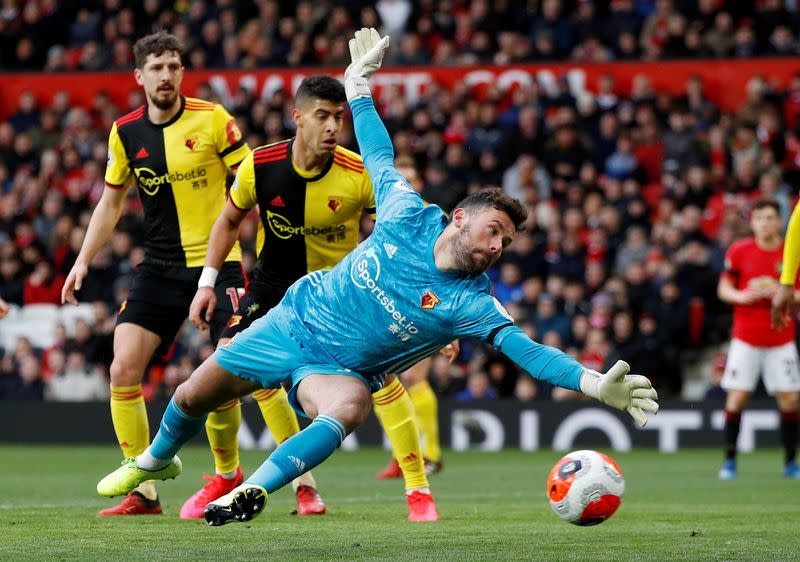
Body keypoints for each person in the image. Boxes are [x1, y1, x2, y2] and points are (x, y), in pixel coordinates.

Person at [96, 28, 659, 527]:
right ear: (459, 217)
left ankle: (251, 490)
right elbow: (379, 151)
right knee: (191, 395)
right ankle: (153, 460)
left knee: (350, 407)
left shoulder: (473, 303)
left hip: (337, 370)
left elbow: (528, 352)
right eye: (492, 231)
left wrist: (590, 384)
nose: (495, 247)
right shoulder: (407, 213)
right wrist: (358, 87)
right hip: (290, 323)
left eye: (506, 244)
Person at [183, 73, 439, 522]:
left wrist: (422, 297)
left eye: (338, 117)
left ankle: (418, 489)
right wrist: (207, 282)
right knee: (223, 371)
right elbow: (227, 221)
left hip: (340, 298)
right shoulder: (260, 165)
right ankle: (257, 480)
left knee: (381, 382)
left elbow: (401, 237)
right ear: (297, 117)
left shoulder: (358, 174)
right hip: (272, 289)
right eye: (322, 116)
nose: (332, 127)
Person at [61, 31, 252, 516]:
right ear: (139, 76)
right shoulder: (125, 132)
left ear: (182, 72)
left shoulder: (213, 120)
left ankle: (227, 474)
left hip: (218, 264)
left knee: (223, 372)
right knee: (123, 367)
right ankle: (143, 490)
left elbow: (250, 181)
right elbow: (111, 201)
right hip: (160, 268)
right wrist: (83, 258)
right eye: (157, 67)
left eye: (174, 66)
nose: (166, 75)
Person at [719, 200, 800, 479]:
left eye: (770, 217)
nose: (765, 223)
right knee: (737, 398)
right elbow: (724, 288)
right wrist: (742, 296)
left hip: (781, 338)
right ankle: (729, 462)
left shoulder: (791, 252)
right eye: (759, 218)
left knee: (789, 400)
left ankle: (790, 463)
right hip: (746, 338)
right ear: (752, 222)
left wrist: (782, 292)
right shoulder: (740, 250)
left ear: (780, 222)